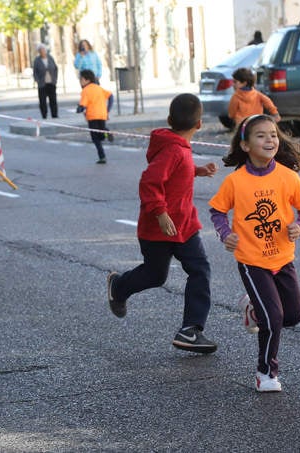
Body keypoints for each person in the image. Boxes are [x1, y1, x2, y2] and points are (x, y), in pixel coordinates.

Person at [208, 114, 300, 392]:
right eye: (261, 135)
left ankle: (252, 308)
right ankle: (266, 373)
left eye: (273, 135)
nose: (270, 139)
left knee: (292, 316)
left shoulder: (287, 177)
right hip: (251, 260)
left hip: (282, 259)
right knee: (273, 319)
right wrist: (225, 234)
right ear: (245, 146)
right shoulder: (236, 181)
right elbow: (218, 211)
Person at [105, 93, 219, 354]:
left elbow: (173, 172)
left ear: (169, 119)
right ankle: (119, 286)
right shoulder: (174, 149)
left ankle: (191, 329)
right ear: (199, 124)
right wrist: (160, 212)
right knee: (156, 275)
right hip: (160, 227)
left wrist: (197, 170)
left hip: (184, 227)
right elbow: (149, 181)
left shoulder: (176, 148)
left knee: (199, 270)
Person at [77, 69, 113, 164]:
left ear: (87, 80)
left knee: (95, 138)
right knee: (101, 133)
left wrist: (79, 109)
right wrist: (108, 109)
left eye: (81, 79)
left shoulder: (85, 90)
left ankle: (102, 157)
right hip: (102, 114)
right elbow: (111, 96)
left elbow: (83, 105)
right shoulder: (98, 88)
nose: (80, 81)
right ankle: (106, 132)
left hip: (92, 116)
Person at [32, 43, 59, 119]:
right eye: (40, 50)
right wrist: (37, 80)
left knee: (53, 99)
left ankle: (54, 114)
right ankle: (44, 115)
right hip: (42, 83)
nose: (42, 51)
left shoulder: (50, 58)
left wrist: (55, 78)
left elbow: (55, 68)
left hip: (51, 82)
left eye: (43, 50)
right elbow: (35, 72)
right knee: (42, 101)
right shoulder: (37, 60)